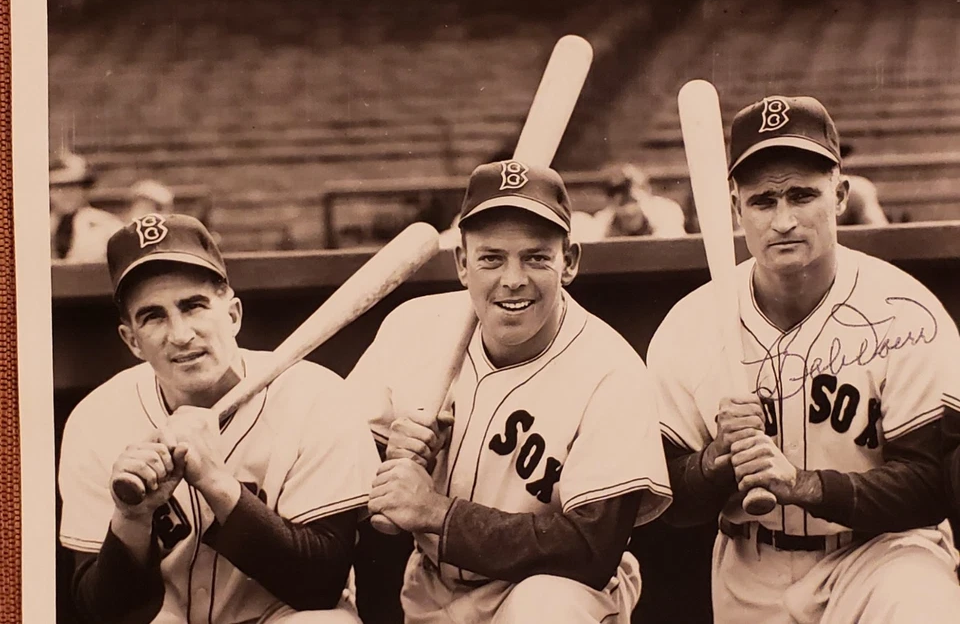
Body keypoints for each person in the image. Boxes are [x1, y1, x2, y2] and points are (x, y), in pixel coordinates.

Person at [647, 94, 960, 623]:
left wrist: (806, 485)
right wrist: (714, 461)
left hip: (882, 554)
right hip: (750, 563)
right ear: (734, 207)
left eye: (802, 195)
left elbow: (933, 483)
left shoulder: (906, 311)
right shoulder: (688, 327)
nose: (784, 220)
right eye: (764, 201)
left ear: (839, 194)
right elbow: (662, 500)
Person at [348, 159, 672, 623]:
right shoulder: (413, 328)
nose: (513, 278)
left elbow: (591, 549)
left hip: (560, 592)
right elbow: (341, 480)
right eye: (491, 258)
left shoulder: (611, 371)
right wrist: (386, 461)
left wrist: (436, 512)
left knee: (546, 605)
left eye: (536, 257)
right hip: (433, 586)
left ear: (570, 261)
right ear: (463, 264)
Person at [57, 213, 381, 623]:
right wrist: (131, 519)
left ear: (232, 315)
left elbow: (320, 585)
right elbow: (100, 612)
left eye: (193, 306)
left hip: (281, 616)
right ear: (132, 340)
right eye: (153, 316)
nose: (180, 334)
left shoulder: (316, 395)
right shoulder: (97, 418)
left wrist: (216, 483)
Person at [571, 163, 686, 242]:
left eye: (634, 201)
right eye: (623, 203)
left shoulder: (666, 213)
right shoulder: (602, 224)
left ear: (648, 195)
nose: (629, 211)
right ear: (611, 202)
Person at [49, 148, 124, 263]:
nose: (66, 194)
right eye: (59, 187)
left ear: (85, 190)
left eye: (73, 187)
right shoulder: (38, 227)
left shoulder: (107, 225)